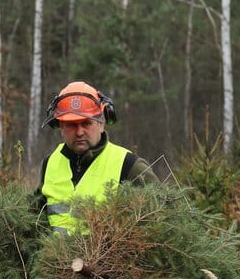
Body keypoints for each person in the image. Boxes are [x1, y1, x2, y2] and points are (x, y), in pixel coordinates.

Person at [33, 80, 158, 234]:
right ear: (60, 126)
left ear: (101, 123)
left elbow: (161, 218)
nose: (79, 132)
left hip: (107, 258)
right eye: (72, 124)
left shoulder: (129, 165)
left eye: (86, 123)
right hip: (55, 258)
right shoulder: (49, 163)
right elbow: (36, 219)